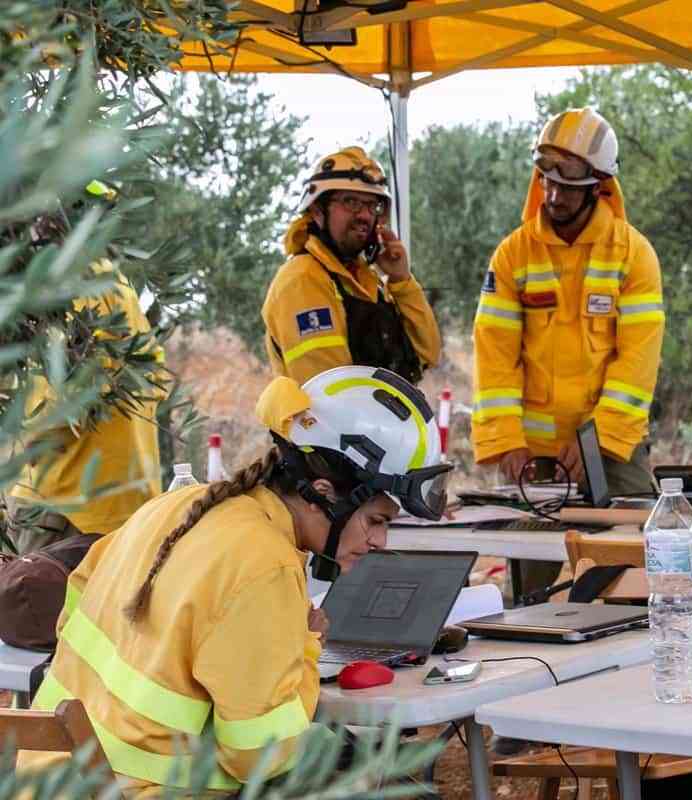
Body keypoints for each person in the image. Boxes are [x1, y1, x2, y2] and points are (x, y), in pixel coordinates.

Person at [16, 365, 452, 794]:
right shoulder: (266, 563)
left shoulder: (178, 505)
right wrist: (303, 646)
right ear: (324, 493)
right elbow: (261, 756)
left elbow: (75, 602)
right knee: (363, 771)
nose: (379, 540)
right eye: (375, 520)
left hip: (49, 779)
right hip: (145, 788)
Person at [472, 107, 665, 492]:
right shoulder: (512, 255)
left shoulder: (633, 254)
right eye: (547, 181)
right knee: (528, 550)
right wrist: (507, 441)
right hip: (530, 452)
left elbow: (637, 363)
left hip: (613, 447)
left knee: (630, 546)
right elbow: (495, 357)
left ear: (598, 185)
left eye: (568, 186)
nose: (554, 195)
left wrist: (599, 436)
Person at [5, 180, 167, 553]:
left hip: (66, 508)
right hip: (117, 502)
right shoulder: (113, 283)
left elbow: (67, 400)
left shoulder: (72, 287)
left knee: (39, 609)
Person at [262, 147, 440, 386]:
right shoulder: (303, 279)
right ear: (317, 211)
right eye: (351, 202)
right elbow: (333, 391)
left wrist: (401, 281)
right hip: (342, 423)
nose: (365, 215)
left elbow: (428, 354)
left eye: (372, 206)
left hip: (381, 422)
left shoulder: (364, 280)